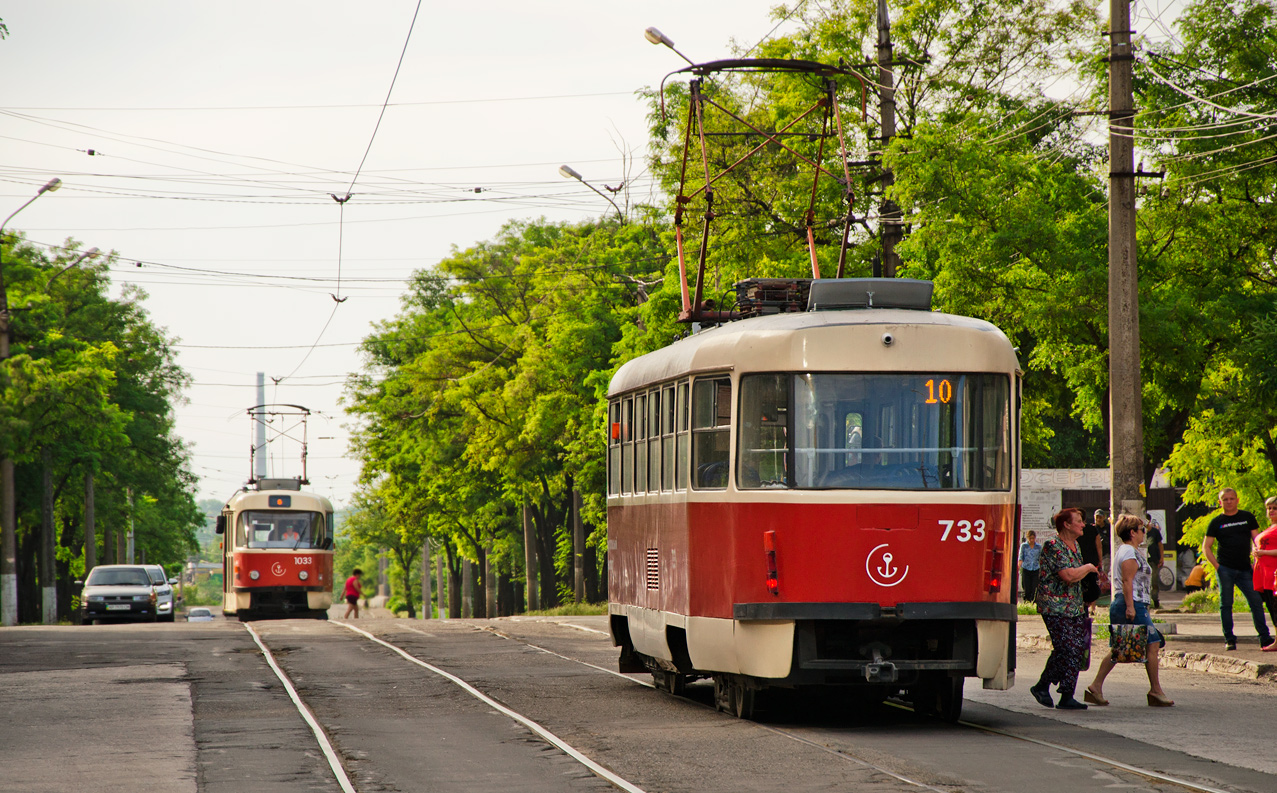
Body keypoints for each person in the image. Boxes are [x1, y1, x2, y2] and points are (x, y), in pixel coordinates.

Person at [1084, 514, 1173, 707]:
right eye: (1142, 530)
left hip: (1131, 604)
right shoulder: (1129, 553)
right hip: (1130, 604)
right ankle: (1155, 690)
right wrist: (1131, 607)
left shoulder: (1128, 551)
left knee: (1120, 648)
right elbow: (1127, 581)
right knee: (1153, 643)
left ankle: (1095, 687)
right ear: (1132, 533)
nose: (1144, 533)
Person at [1030, 507, 1099, 710]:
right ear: (1067, 524)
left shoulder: (1075, 545)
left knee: (1076, 649)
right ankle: (1042, 685)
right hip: (1054, 606)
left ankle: (1067, 695)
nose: (1083, 524)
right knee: (1066, 647)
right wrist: (1088, 567)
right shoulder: (1053, 545)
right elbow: (1068, 576)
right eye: (1079, 520)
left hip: (1075, 606)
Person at [1202, 487, 1275, 651]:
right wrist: (1217, 567)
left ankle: (1264, 637)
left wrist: (1257, 560)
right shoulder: (1216, 522)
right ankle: (1229, 639)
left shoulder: (1247, 517)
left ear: (1237, 500)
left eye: (1231, 499)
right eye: (1225, 499)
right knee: (1226, 604)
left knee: (1256, 602)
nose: (1228, 502)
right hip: (1225, 568)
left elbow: (1257, 540)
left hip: (1245, 569)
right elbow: (1206, 547)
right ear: (1220, 502)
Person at [1253, 497, 1277, 646]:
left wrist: (1264, 552)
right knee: (1272, 608)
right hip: (1264, 574)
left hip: (1274, 574)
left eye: (1275, 508)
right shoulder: (1268, 528)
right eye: (1269, 508)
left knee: (1275, 606)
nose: (1271, 511)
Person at [1079, 509, 1106, 609]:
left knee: (1082, 585)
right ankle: (1092, 607)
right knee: (1092, 585)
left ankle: (1083, 606)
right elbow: (1099, 546)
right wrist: (1100, 560)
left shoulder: (1075, 530)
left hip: (1080, 562)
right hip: (1092, 561)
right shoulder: (1093, 529)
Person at [1145, 513, 1164, 609]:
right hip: (1144, 561)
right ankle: (1146, 601)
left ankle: (1155, 599)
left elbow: (1160, 544)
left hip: (1154, 560)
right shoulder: (1139, 531)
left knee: (1154, 581)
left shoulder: (1155, 532)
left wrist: (1161, 557)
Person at [1018, 531, 1042, 602]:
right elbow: (1021, 557)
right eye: (1030, 538)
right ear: (1028, 538)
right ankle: (1027, 601)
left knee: (1034, 587)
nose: (1032, 540)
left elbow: (1041, 558)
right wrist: (1019, 566)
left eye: (1033, 538)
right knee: (1026, 587)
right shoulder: (1024, 546)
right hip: (1026, 568)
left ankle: (1033, 602)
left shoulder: (1038, 547)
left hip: (1035, 568)